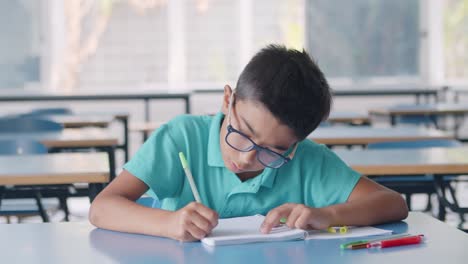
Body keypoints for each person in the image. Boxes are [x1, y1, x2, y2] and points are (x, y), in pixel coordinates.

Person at [89, 44, 408, 242]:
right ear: (228, 100)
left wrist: (328, 215)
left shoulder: (308, 160)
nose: (245, 159)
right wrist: (169, 223)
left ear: (296, 145)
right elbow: (102, 208)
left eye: (272, 151)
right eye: (241, 133)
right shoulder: (181, 137)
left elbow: (394, 204)